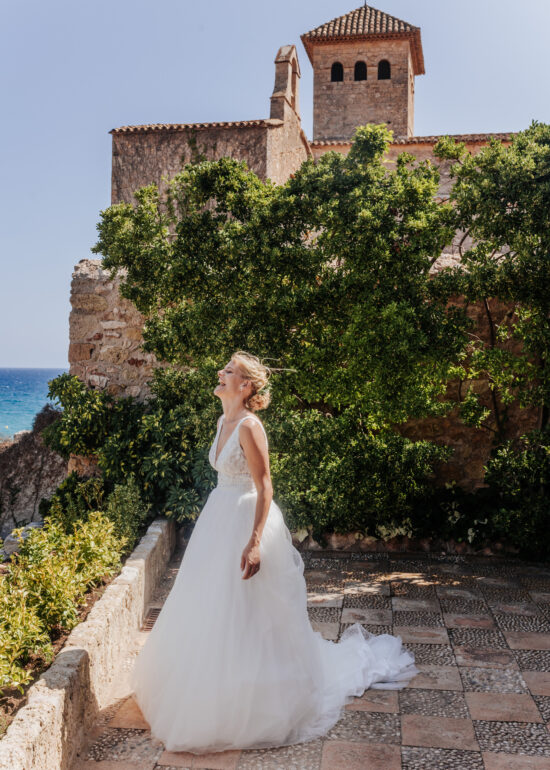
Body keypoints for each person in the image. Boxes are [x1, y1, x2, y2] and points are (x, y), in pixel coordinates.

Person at [130, 350, 418, 755]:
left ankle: (256, 700)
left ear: (245, 386)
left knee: (249, 610)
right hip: (218, 520)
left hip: (246, 521)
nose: (220, 373)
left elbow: (265, 487)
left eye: (228, 371)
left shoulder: (250, 426)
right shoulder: (222, 421)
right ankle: (211, 687)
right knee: (211, 605)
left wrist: (254, 542)